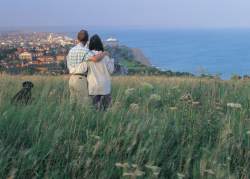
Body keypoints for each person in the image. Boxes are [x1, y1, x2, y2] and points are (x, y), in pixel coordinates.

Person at [67, 30, 107, 107]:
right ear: (87, 40)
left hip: (71, 79)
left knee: (73, 104)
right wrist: (104, 53)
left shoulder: (71, 50)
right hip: (80, 79)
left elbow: (68, 63)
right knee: (86, 105)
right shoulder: (85, 51)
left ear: (77, 38)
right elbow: (95, 59)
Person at [82, 34, 114, 110]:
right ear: (100, 44)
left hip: (93, 85)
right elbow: (111, 70)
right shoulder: (105, 56)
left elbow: (84, 70)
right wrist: (111, 60)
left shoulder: (88, 56)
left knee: (94, 110)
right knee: (106, 110)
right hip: (105, 86)